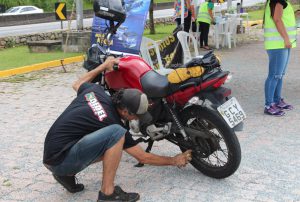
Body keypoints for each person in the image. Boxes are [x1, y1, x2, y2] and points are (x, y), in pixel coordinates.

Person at [43, 57, 192, 202]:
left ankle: (66, 174)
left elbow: (77, 84)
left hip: (53, 153)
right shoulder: (113, 123)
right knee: (116, 136)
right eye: (137, 115)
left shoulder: (96, 91)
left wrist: (103, 66)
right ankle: (107, 194)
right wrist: (174, 160)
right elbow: (143, 157)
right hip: (60, 160)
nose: (137, 119)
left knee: (109, 147)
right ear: (125, 111)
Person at [263, 0, 297, 116]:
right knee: (274, 75)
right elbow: (277, 19)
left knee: (280, 75)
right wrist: (286, 38)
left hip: (282, 44)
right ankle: (268, 105)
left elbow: (281, 17)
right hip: (278, 44)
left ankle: (277, 100)